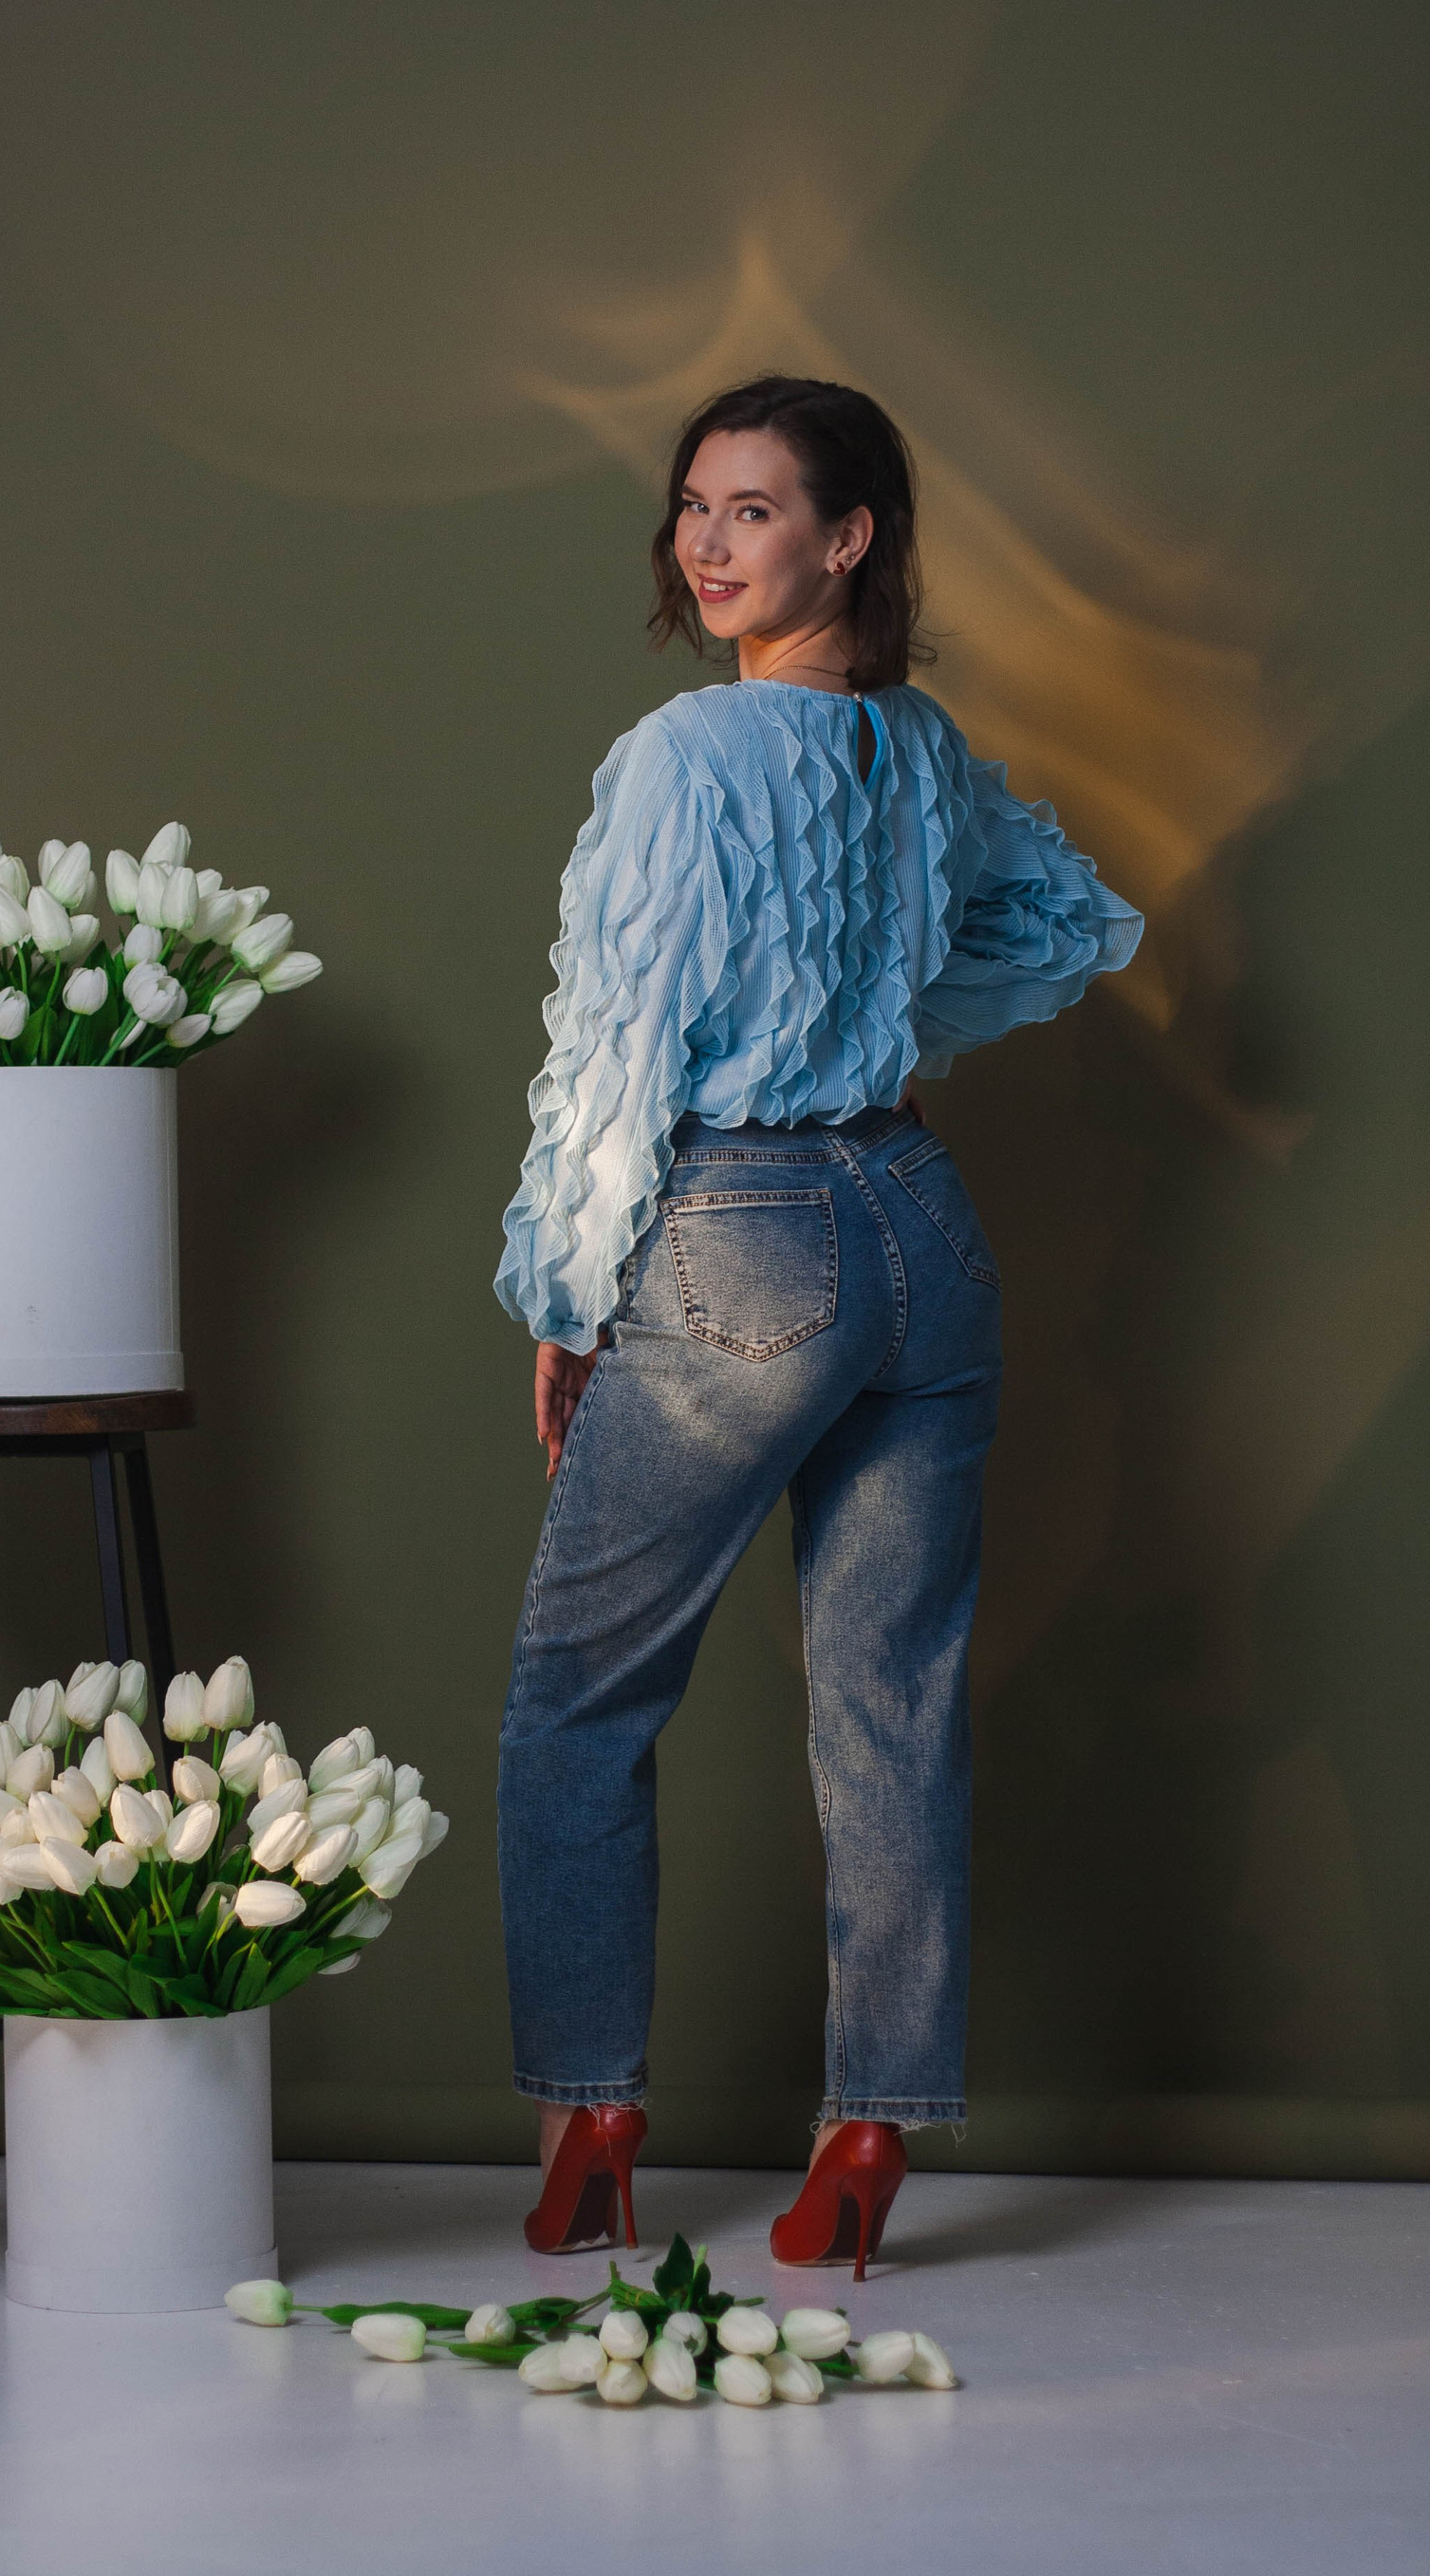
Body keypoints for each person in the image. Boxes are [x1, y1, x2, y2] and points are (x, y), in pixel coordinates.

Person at [493, 373, 1142, 2274]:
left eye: (755, 510)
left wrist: (568, 1289)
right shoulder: (920, 751)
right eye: (694, 507)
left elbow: (619, 1046)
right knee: (892, 1700)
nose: (706, 544)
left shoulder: (688, 756)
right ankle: (869, 2132)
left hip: (742, 1235)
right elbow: (1067, 923)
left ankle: (591, 2119)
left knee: (582, 1696)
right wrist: (873, 1038)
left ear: (850, 538)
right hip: (919, 1222)